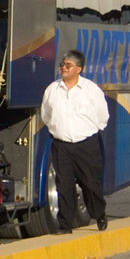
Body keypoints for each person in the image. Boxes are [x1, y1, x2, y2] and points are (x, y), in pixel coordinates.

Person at [40, 49, 110, 234]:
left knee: (90, 184)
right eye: (62, 64)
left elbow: (103, 116)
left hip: (86, 144)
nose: (63, 68)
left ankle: (99, 213)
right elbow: (46, 115)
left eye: (68, 65)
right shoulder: (52, 90)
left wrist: (90, 131)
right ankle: (65, 224)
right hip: (61, 145)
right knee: (64, 185)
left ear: (78, 69)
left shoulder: (91, 90)